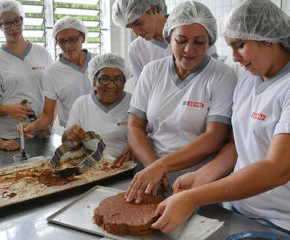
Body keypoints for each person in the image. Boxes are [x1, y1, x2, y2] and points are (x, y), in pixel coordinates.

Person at [151, 0, 290, 235]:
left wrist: (195, 197)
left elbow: (278, 169)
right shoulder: (248, 78)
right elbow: (236, 146)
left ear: (268, 38)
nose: (234, 57)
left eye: (240, 45)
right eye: (230, 46)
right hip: (240, 209)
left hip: (281, 219)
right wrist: (202, 176)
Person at [125, 1, 237, 204]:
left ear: (209, 42)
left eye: (199, 42)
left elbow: (216, 136)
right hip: (150, 181)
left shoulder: (221, 76)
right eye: (181, 40)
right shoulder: (152, 71)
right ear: (169, 39)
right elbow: (135, 126)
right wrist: (153, 169)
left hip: (198, 183)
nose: (189, 49)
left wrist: (162, 167)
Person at [20, 16, 95, 137]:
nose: (67, 46)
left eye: (72, 39)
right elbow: (47, 114)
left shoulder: (100, 62)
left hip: (104, 127)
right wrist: (31, 126)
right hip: (73, 134)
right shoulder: (52, 72)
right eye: (61, 41)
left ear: (83, 37)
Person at [112, 0, 219, 83]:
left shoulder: (193, 31)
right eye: (130, 27)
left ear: (153, 9)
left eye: (137, 23)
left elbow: (214, 75)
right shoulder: (136, 49)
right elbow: (143, 90)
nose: (136, 32)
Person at [0, 0, 53, 140]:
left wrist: (49, 123)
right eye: (6, 23)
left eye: (16, 21)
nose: (13, 27)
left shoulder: (41, 53)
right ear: (0, 26)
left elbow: (54, 96)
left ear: (22, 20)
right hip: (11, 137)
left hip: (42, 133)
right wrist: (9, 110)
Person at [63, 53, 134, 165]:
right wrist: (70, 135)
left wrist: (135, 145)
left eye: (118, 79)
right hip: (91, 169)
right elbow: (68, 143)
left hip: (127, 169)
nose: (111, 85)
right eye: (104, 79)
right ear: (94, 80)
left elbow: (149, 134)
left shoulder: (134, 102)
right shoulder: (82, 104)